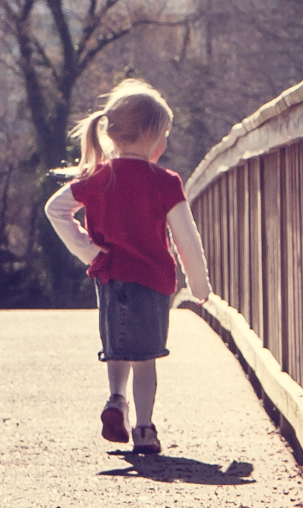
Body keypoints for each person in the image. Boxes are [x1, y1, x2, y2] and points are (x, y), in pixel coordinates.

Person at [43, 78, 211, 455]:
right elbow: (186, 238)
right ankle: (145, 430)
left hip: (109, 277)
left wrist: (90, 252)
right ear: (152, 135)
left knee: (116, 347)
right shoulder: (165, 182)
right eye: (164, 134)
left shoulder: (100, 177)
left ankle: (116, 400)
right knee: (146, 359)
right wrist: (198, 285)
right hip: (152, 282)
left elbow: (55, 209)